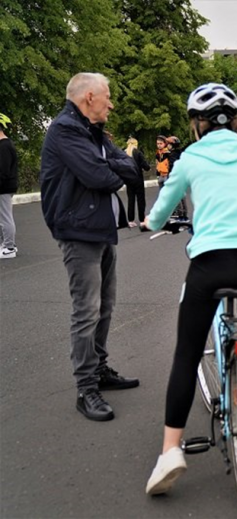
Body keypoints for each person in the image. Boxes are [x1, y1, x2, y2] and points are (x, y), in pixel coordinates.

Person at [143, 83, 237, 495]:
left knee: (186, 354)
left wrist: (151, 225)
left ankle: (171, 451)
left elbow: (161, 212)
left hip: (210, 264)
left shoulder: (189, 158)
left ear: (197, 124)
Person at [39, 72, 141, 422]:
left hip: (99, 229)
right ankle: (86, 388)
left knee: (105, 306)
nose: (111, 104)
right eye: (107, 97)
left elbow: (132, 168)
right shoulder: (65, 130)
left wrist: (109, 166)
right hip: (78, 231)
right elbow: (101, 177)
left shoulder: (94, 133)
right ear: (89, 98)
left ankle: (99, 369)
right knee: (87, 310)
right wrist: (110, 168)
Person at [0, 113, 18, 259]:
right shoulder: (5, 145)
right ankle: (7, 244)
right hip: (5, 186)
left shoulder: (4, 146)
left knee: (5, 217)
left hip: (4, 187)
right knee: (3, 217)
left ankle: (9, 247)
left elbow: (3, 171)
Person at [125, 137, 150, 227]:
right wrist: (147, 167)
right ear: (136, 144)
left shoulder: (124, 153)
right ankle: (142, 219)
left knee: (130, 200)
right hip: (138, 178)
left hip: (128, 179)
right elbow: (145, 166)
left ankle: (130, 220)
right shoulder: (138, 153)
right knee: (140, 200)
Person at [166, 136, 189, 220]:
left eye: (168, 144)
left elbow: (173, 166)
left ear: (172, 145)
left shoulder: (173, 155)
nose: (167, 146)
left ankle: (180, 213)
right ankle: (184, 214)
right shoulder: (180, 153)